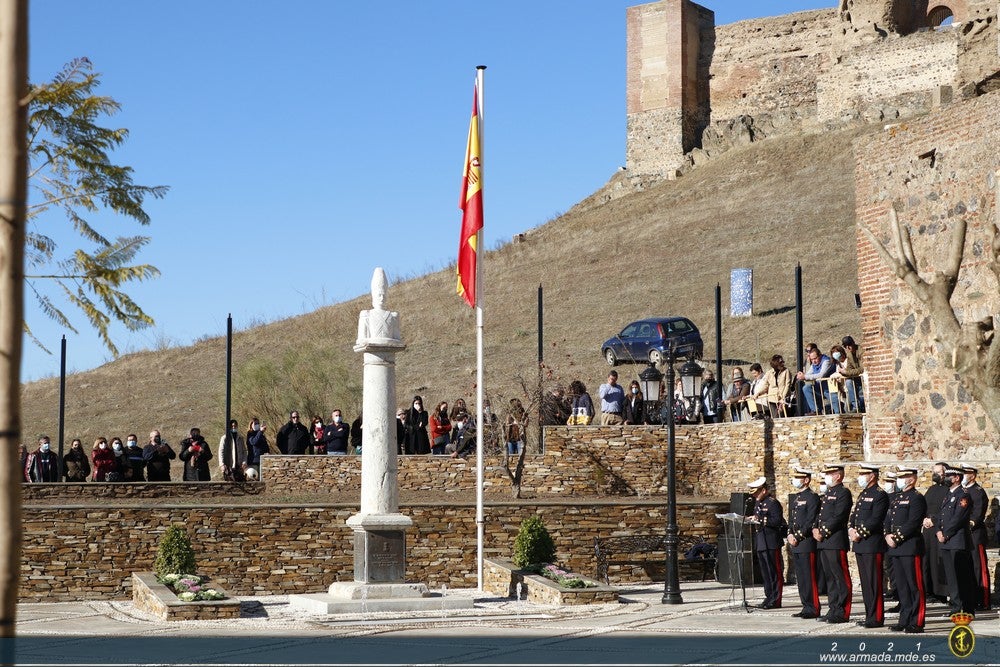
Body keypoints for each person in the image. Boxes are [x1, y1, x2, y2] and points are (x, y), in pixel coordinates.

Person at [884, 466, 927, 634]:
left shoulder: (917, 498)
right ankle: (904, 618)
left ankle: (917, 621)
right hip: (895, 548)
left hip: (909, 546)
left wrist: (896, 537)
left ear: (912, 479)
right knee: (901, 586)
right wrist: (887, 534)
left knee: (914, 585)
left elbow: (914, 522)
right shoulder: (897, 498)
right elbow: (888, 519)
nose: (900, 480)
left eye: (904, 477)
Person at [848, 464, 889, 628]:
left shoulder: (880, 495)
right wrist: (851, 529)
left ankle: (877, 617)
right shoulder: (863, 494)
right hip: (860, 545)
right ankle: (869, 615)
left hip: (872, 544)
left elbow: (876, 519)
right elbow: (854, 515)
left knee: (874, 582)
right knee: (866, 583)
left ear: (872, 476)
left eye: (863, 473)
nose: (860, 476)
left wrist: (860, 533)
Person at [813, 463, 853, 623]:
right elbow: (820, 515)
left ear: (838, 476)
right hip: (823, 542)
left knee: (840, 576)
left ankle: (843, 611)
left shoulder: (843, 493)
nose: (826, 476)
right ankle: (833, 608)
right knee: (829, 577)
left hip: (835, 540)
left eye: (830, 473)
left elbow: (839, 516)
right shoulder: (829, 493)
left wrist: (823, 532)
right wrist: (815, 528)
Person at [937, 465, 977, 617]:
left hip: (957, 541)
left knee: (961, 576)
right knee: (951, 577)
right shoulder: (948, 494)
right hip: (947, 541)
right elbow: (941, 516)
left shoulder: (963, 495)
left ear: (957, 478)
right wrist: (939, 531)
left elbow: (958, 518)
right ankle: (955, 606)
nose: (946, 479)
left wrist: (946, 533)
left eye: (949, 476)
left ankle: (965, 607)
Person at [746, 477, 785, 609]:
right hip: (761, 541)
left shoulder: (773, 503)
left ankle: (776, 599)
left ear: (763, 490)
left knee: (774, 572)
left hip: (771, 541)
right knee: (766, 572)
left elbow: (777, 521)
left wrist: (761, 519)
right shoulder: (758, 503)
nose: (754, 495)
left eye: (756, 492)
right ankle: (769, 596)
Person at [787, 467, 821, 619]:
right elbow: (792, 519)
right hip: (795, 543)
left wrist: (798, 536)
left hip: (806, 541)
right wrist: (789, 534)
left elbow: (811, 520)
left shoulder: (812, 497)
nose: (796, 480)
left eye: (799, 477)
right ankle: (805, 605)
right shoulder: (797, 497)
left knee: (809, 576)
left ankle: (813, 607)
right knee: (801, 577)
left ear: (806, 480)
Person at [960, 464, 990, 611]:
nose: (964, 475)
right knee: (968, 569)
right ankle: (971, 598)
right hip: (964, 535)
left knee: (979, 568)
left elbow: (978, 515)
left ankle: (983, 600)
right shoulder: (963, 491)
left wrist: (966, 525)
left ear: (973, 475)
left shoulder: (978, 492)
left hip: (975, 534)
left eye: (966, 473)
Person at [921, 461, 950, 604]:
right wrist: (924, 519)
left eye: (938, 472)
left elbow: (946, 510)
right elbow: (924, 506)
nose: (935, 474)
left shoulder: (948, 490)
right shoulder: (931, 489)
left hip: (939, 528)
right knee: (927, 560)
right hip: (927, 530)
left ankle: (941, 592)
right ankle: (929, 590)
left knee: (939, 561)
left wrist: (934, 519)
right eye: (934, 471)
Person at [795, 344, 834, 415]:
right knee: (806, 388)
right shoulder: (814, 364)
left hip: (829, 387)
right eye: (812, 359)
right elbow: (809, 373)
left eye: (815, 358)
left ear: (820, 355)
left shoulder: (826, 361)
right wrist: (801, 375)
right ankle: (815, 410)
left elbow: (821, 375)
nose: (814, 361)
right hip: (820, 387)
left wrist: (805, 377)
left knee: (836, 406)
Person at [839, 335, 865, 412]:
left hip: (863, 380)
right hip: (856, 380)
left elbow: (862, 369)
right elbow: (849, 368)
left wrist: (847, 372)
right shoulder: (849, 355)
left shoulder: (861, 351)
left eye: (849, 345)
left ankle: (858, 406)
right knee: (846, 409)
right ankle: (856, 406)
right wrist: (844, 372)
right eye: (845, 346)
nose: (848, 348)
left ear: (853, 343)